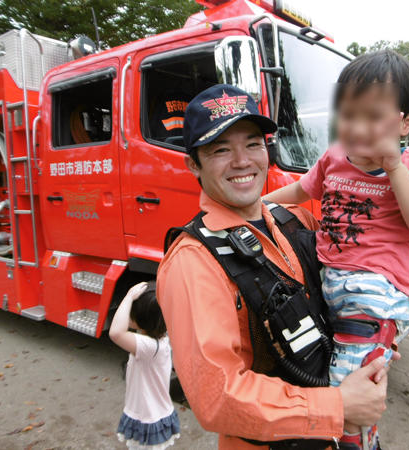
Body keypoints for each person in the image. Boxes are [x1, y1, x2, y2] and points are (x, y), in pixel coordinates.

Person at [157, 84, 393, 450]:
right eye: (221, 149)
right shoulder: (193, 262)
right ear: (193, 164)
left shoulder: (296, 220)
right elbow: (217, 397)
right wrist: (339, 405)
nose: (242, 161)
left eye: (252, 144)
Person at [264, 50, 409, 449]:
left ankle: (350, 441)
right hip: (331, 282)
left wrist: (394, 168)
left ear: (406, 121)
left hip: (377, 292)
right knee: (342, 366)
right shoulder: (333, 158)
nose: (357, 128)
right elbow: (299, 191)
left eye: (372, 116)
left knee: (347, 386)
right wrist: (256, 209)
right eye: (348, 116)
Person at [109, 282, 180, 450]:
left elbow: (116, 333)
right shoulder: (160, 339)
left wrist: (128, 298)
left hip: (148, 417)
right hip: (153, 412)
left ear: (140, 319)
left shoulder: (149, 347)